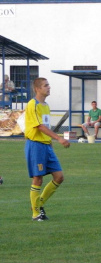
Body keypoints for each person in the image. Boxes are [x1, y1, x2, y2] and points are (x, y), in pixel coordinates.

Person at [24, 77, 70, 221]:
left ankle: (38, 204)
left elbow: (46, 127)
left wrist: (50, 143)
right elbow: (40, 126)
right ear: (37, 89)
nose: (49, 88)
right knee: (38, 178)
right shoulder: (33, 105)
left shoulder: (46, 105)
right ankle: (36, 214)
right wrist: (59, 138)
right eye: (45, 86)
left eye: (48, 85)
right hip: (35, 145)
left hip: (46, 145)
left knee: (59, 177)